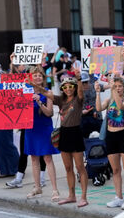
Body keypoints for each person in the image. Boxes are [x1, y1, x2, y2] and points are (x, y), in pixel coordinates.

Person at [22, 67, 62, 201]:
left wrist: (39, 101)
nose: (38, 77)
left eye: (40, 75)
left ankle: (55, 190)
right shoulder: (25, 91)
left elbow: (49, 113)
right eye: (35, 75)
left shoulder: (47, 92)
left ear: (43, 78)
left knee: (47, 158)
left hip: (44, 128)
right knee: (33, 158)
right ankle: (37, 187)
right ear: (31, 77)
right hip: (30, 128)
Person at [96, 75, 124, 210]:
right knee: (115, 169)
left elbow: (121, 105)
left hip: (123, 135)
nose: (117, 88)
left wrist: (112, 88)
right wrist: (97, 92)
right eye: (116, 86)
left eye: (120, 86)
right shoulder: (109, 100)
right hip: (110, 136)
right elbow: (98, 108)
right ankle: (118, 197)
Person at [53, 76, 89, 207]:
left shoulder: (78, 100)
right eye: (65, 87)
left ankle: (84, 197)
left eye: (70, 86)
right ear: (62, 88)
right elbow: (46, 93)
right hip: (64, 134)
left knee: (80, 167)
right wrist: (34, 85)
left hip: (75, 133)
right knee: (68, 168)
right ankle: (71, 195)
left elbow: (80, 93)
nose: (68, 89)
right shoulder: (61, 100)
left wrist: (79, 79)